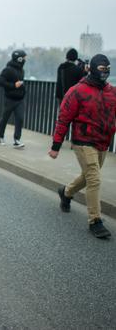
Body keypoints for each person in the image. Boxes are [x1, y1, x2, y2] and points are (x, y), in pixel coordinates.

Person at [49, 54, 115, 239]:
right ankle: (95, 220)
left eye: (108, 69)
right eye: (102, 69)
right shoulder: (77, 91)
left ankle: (66, 192)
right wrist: (56, 145)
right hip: (83, 141)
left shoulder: (112, 92)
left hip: (102, 142)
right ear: (93, 69)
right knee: (94, 178)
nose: (105, 72)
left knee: (88, 176)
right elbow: (63, 119)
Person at [0, 50, 27, 148]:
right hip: (10, 99)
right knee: (5, 118)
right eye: (24, 58)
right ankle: (1, 136)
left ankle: (17, 140)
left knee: (20, 119)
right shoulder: (8, 69)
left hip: (20, 99)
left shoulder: (22, 70)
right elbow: (0, 82)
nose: (25, 60)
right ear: (19, 59)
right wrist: (14, 85)